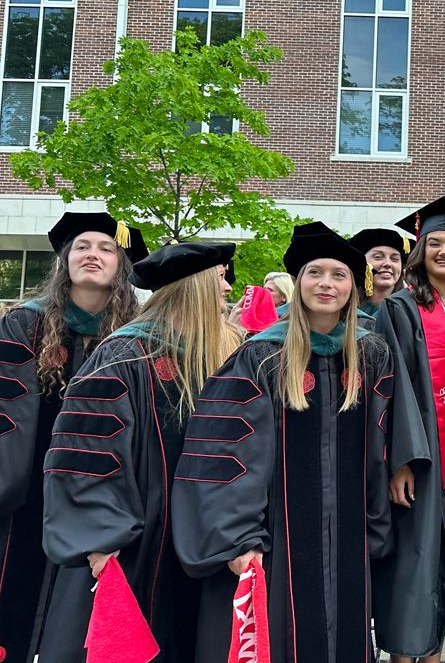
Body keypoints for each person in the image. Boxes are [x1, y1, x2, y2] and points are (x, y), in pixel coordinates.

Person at [171, 225, 394, 662]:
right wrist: (239, 537)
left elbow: (382, 450)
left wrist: (376, 524)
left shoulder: (371, 354)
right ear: (298, 282)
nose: (326, 284)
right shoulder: (261, 354)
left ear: (354, 287)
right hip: (276, 539)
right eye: (315, 273)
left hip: (349, 536)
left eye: (338, 275)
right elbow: (223, 452)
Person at [40, 241, 240, 663]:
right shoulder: (123, 354)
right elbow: (84, 454)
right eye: (220, 278)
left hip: (195, 545)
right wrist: (96, 537)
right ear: (195, 289)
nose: (227, 289)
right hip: (130, 548)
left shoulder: (217, 355)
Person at [0, 213, 145, 663]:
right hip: (24, 492)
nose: (93, 255)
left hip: (95, 494)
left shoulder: (134, 334)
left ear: (121, 264)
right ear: (65, 259)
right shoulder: (27, 323)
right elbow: (8, 413)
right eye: (82, 246)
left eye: (105, 248)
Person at [373, 196, 445, 663]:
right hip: (422, 453)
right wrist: (399, 460)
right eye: (435, 243)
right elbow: (391, 387)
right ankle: (405, 655)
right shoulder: (400, 308)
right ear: (420, 250)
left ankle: (436, 652)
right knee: (414, 558)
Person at [352, 227, 412, 315]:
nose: (388, 264)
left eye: (394, 259)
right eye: (378, 257)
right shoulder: (344, 309)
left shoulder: (412, 308)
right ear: (361, 262)